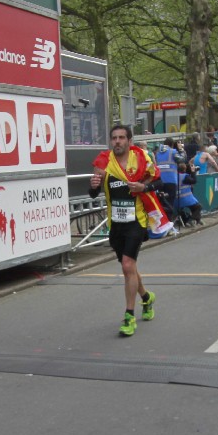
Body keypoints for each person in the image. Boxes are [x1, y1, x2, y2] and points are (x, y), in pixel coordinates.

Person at [90, 124, 164, 336]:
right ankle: (147, 297)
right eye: (114, 138)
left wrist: (144, 187)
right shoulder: (103, 162)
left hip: (136, 221)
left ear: (129, 141)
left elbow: (159, 182)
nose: (117, 141)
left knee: (127, 265)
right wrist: (94, 186)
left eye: (122, 137)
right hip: (115, 223)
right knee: (129, 268)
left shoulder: (140, 158)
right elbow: (93, 193)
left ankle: (129, 316)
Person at [175, 161, 203, 227]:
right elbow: (194, 181)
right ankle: (191, 219)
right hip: (185, 199)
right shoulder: (185, 176)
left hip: (176, 200)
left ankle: (196, 220)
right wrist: (193, 172)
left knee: (192, 207)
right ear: (185, 169)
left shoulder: (174, 176)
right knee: (198, 207)